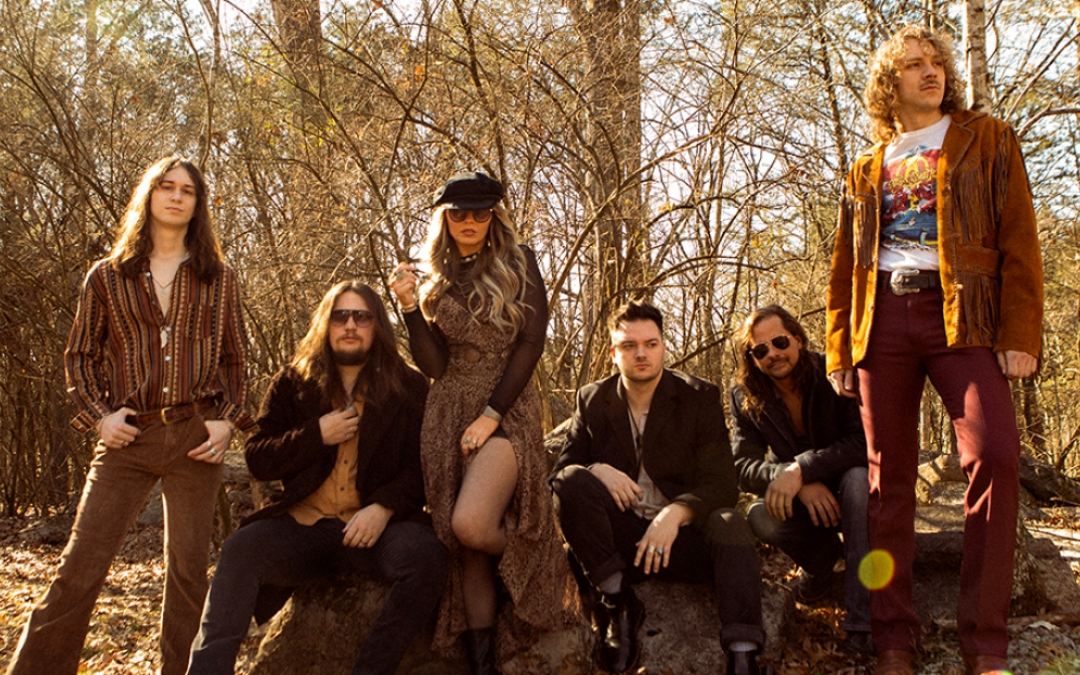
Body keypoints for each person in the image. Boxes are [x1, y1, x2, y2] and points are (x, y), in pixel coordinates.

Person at [826, 25, 1043, 675]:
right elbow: (846, 267)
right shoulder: (866, 167)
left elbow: (1020, 240)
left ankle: (985, 642)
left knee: (995, 456)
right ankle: (894, 637)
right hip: (882, 322)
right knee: (887, 482)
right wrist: (840, 349)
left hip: (963, 317)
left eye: (936, 62)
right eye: (914, 65)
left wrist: (1019, 335)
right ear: (888, 85)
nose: (931, 72)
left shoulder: (988, 139)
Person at [7, 157, 254, 675]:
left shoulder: (219, 277)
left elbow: (236, 358)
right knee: (80, 567)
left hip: (195, 437)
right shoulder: (107, 276)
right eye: (166, 186)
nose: (176, 196)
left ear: (197, 204)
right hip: (128, 436)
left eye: (187, 190)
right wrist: (100, 417)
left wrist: (226, 420)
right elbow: (79, 355)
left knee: (188, 574)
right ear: (149, 195)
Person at [186, 281, 447, 675]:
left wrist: (383, 508)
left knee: (428, 558)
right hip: (305, 528)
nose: (350, 326)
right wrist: (316, 435)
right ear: (326, 323)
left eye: (362, 317)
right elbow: (258, 458)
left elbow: (422, 466)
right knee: (239, 550)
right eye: (340, 316)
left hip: (374, 530)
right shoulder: (293, 382)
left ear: (377, 326)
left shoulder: (407, 385)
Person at [389, 171, 577, 674]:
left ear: (494, 216)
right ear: (444, 219)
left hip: (506, 403)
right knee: (465, 547)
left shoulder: (520, 261)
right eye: (458, 213)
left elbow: (531, 342)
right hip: (448, 408)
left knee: (469, 524)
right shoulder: (437, 277)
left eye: (480, 212)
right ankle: (482, 664)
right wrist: (409, 307)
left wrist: (492, 414)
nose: (469, 221)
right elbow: (434, 365)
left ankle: (543, 561)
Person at [551, 301, 768, 675]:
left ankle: (743, 653)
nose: (641, 354)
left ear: (664, 347)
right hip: (623, 543)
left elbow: (721, 483)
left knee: (731, 522)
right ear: (613, 352)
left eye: (650, 344)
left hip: (681, 542)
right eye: (629, 345)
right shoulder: (592, 399)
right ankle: (618, 603)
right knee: (571, 482)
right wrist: (598, 470)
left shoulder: (698, 397)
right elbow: (559, 474)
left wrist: (676, 512)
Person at [730, 305, 871, 658]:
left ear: (798, 339)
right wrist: (793, 478)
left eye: (779, 342)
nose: (773, 354)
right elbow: (741, 465)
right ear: (752, 358)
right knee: (759, 515)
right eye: (760, 350)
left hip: (851, 490)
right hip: (803, 501)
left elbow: (862, 442)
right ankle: (821, 564)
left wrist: (803, 470)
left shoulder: (834, 373)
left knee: (857, 481)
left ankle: (862, 624)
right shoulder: (745, 396)